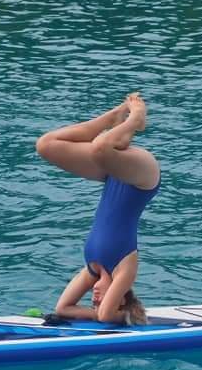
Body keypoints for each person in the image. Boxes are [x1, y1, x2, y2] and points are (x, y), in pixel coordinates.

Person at [35, 92, 161, 325]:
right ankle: (136, 120)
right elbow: (105, 316)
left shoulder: (92, 269)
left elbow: (63, 308)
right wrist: (121, 316)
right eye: (100, 300)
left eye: (93, 302)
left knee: (46, 145)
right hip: (142, 180)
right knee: (100, 147)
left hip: (113, 176)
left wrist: (93, 313)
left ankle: (113, 120)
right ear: (120, 299)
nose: (94, 298)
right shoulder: (125, 269)